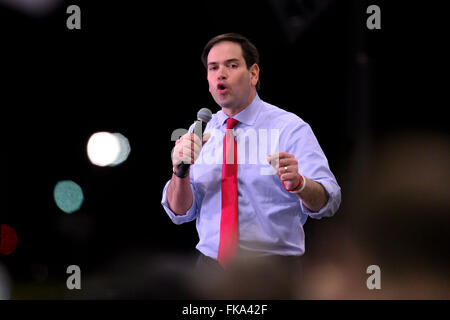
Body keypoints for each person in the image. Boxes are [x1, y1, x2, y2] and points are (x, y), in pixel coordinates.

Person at [161, 33, 341, 290]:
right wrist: (179, 173)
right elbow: (180, 213)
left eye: (231, 65)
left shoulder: (290, 128)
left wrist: (300, 183)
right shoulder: (198, 131)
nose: (220, 74)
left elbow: (329, 201)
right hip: (211, 271)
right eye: (213, 68)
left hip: (274, 272)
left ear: (253, 74)